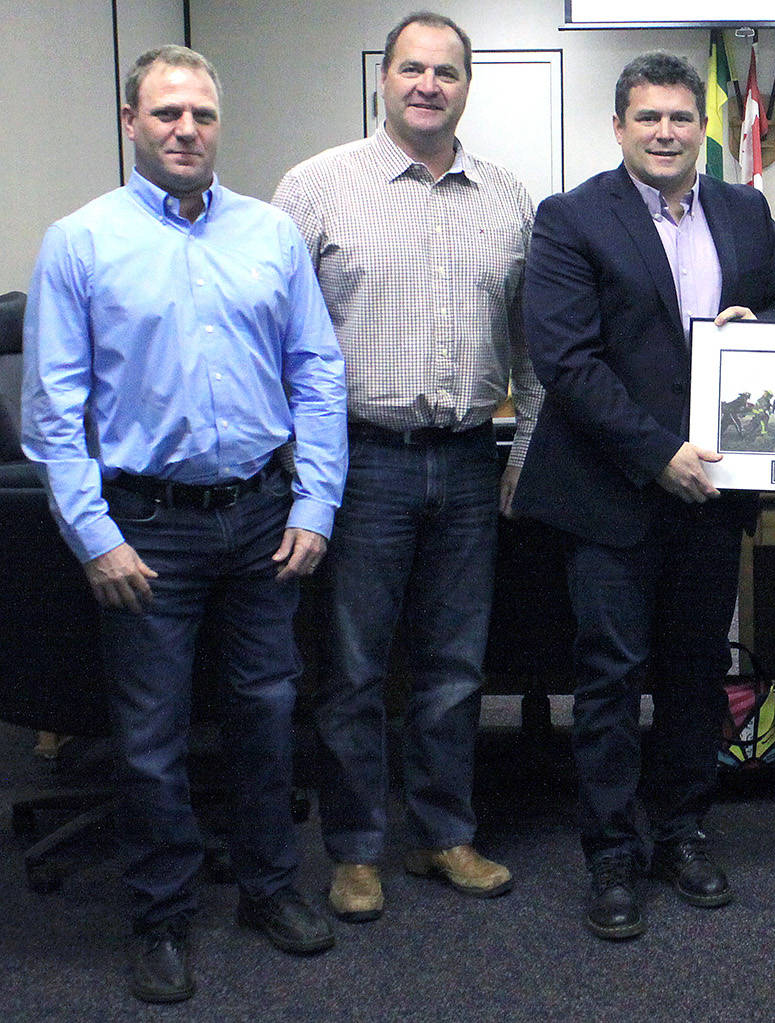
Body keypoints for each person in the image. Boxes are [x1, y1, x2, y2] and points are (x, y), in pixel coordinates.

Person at [21, 46, 348, 1003]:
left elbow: (316, 373)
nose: (186, 130)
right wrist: (94, 536)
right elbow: (53, 411)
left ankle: (268, 888)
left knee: (266, 714)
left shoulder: (272, 235)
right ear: (131, 122)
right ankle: (160, 915)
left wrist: (317, 501)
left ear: (219, 123)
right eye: (166, 114)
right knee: (153, 737)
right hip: (145, 527)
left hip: (260, 518)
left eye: (201, 114)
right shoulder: (80, 242)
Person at [512, 51, 775, 940]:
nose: (667, 132)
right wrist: (659, 456)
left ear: (702, 128)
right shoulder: (571, 220)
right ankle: (611, 851)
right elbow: (566, 361)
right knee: (609, 677)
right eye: (648, 118)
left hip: (713, 497)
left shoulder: (745, 210)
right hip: (610, 495)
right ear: (619, 128)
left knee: (695, 672)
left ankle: (683, 827)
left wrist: (765, 325)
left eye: (682, 118)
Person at [272, 10, 538, 923]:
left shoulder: (508, 195)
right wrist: (301, 472)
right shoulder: (315, 188)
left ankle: (443, 834)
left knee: (455, 667)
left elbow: (532, 346)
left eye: (448, 72)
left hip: (470, 458)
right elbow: (272, 338)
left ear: (469, 86)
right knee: (351, 669)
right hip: (360, 462)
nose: (429, 84)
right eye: (413, 69)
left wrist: (522, 458)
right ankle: (354, 850)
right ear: (384, 78)